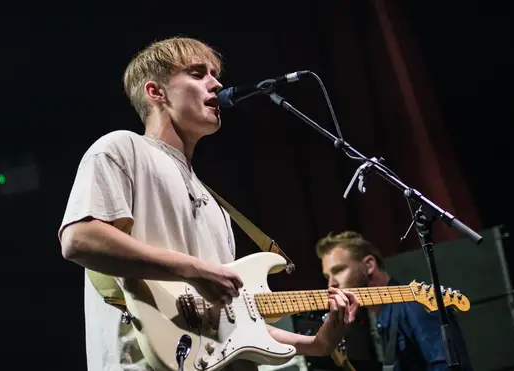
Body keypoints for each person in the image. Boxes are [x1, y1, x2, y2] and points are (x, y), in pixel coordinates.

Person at [57, 36, 359, 371]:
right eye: (198, 73)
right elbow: (79, 240)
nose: (216, 83)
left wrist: (317, 344)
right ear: (155, 92)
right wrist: (191, 268)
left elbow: (228, 319)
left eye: (215, 74)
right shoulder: (121, 149)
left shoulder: (214, 204)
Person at [315, 231, 473, 371]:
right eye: (327, 277)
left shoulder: (416, 304)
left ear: (369, 265)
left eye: (339, 270)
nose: (331, 284)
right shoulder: (381, 319)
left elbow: (445, 365)